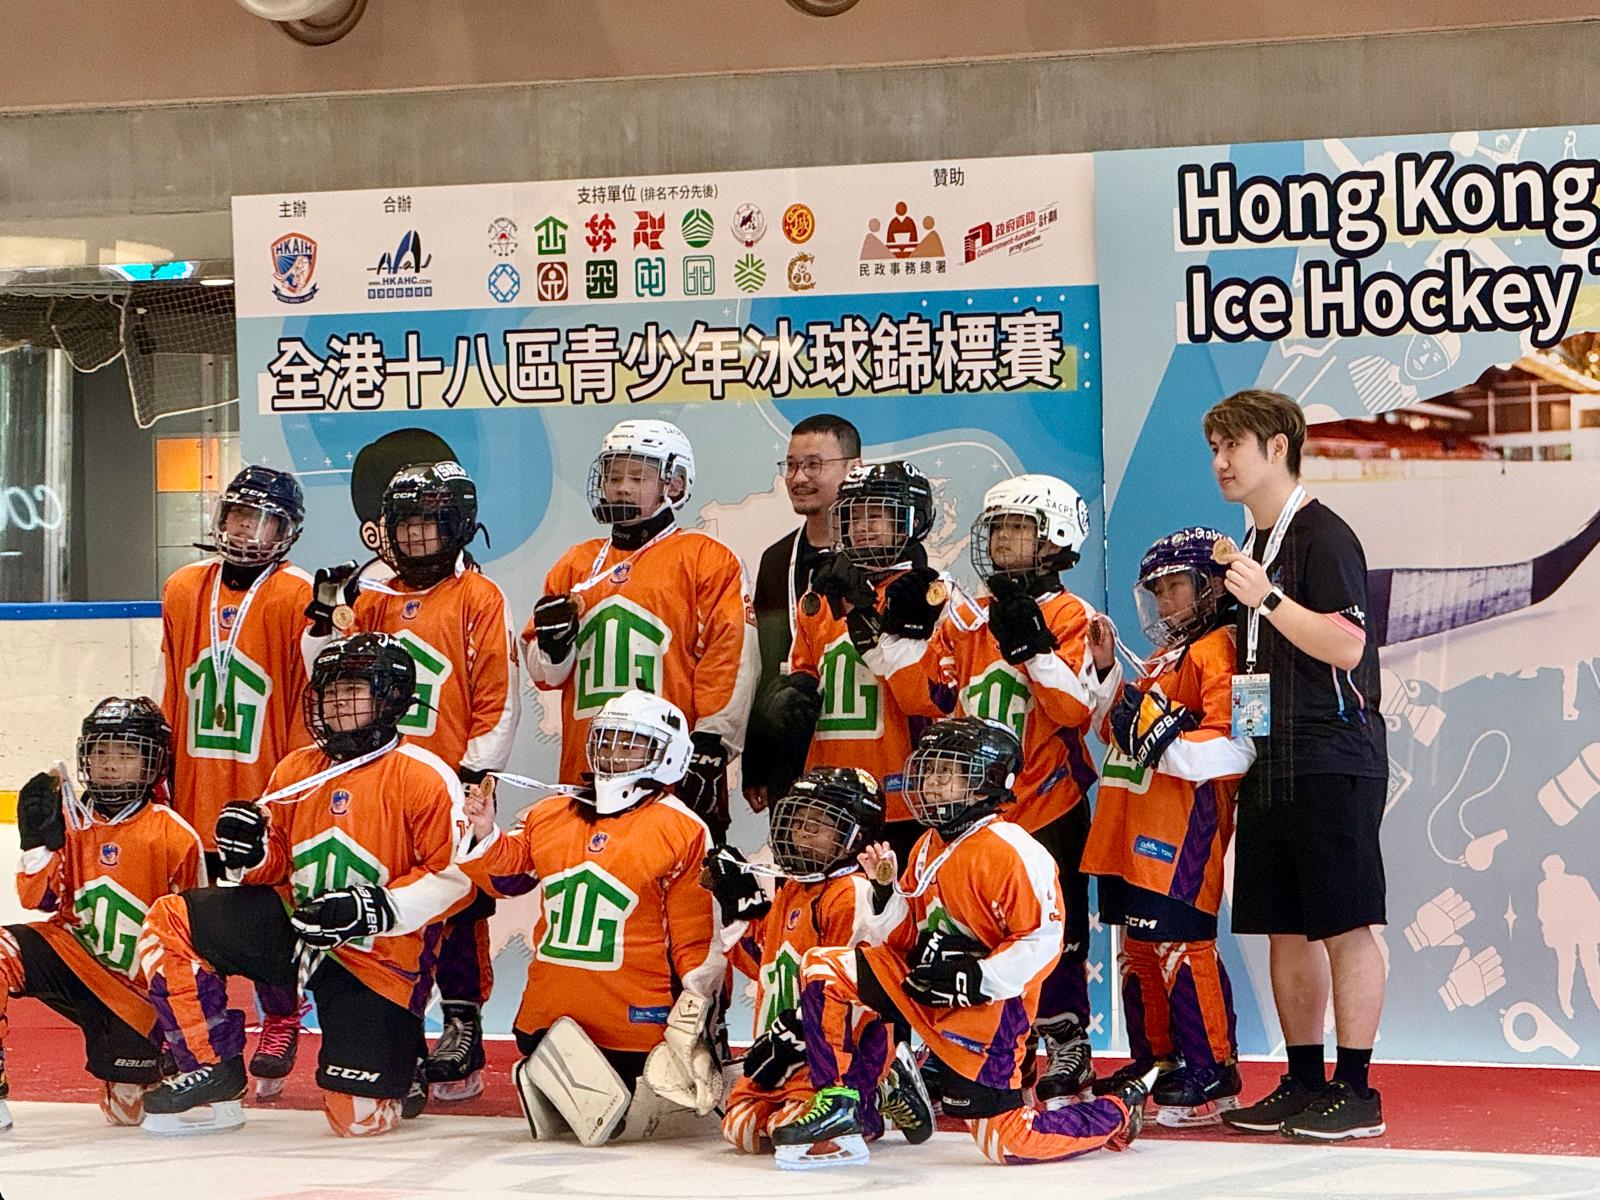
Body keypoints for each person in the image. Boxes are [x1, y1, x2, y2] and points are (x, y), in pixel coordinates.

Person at [772, 717, 1154, 1168]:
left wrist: (975, 978)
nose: (932, 783)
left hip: (986, 1012)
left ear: (989, 780)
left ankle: (1118, 1110)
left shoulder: (1013, 849)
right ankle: (838, 1101)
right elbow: (906, 938)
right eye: (929, 770)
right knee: (824, 966)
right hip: (925, 987)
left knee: (1007, 1143)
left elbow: (1043, 941)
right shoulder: (925, 847)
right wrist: (885, 896)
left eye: (947, 772)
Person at [138, 633, 472, 1138]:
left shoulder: (425, 776)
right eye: (331, 691)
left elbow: (455, 878)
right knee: (172, 920)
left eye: (353, 690)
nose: (337, 703)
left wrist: (376, 907)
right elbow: (274, 865)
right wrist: (248, 854)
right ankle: (210, 1065)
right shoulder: (295, 768)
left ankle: (403, 1063)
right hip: (298, 927)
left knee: (357, 1120)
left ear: (392, 698)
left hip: (375, 956)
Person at [871, 473, 1107, 1100]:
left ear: (1057, 537)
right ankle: (972, 1051)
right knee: (961, 927)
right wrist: (895, 639)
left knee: (1055, 932)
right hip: (973, 812)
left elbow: (1074, 710)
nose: (1001, 539)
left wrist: (1035, 650)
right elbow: (930, 697)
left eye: (1017, 528)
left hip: (1045, 803)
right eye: (996, 526)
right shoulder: (967, 616)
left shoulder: (1073, 615)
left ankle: (1066, 1043)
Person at [1203, 389, 1388, 1142]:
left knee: (1345, 923)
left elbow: (1348, 645)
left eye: (1232, 446)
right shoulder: (1253, 540)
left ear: (1278, 447)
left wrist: (1270, 598)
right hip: (1268, 758)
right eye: (1214, 449)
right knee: (1284, 926)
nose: (1220, 462)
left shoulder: (1322, 536)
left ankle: (1358, 1090)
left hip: (1331, 753)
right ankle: (1305, 1079)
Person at [309, 459, 521, 1103]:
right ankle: (400, 1034)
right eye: (405, 525)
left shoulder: (479, 597)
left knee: (459, 904)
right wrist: (324, 621)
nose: (416, 536)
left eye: (429, 523)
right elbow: (330, 677)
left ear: (458, 526)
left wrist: (474, 772)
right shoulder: (371, 598)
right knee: (395, 900)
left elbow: (498, 694)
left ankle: (462, 1023)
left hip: (450, 778)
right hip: (384, 778)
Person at [460, 691, 726, 1145]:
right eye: (608, 739)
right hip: (548, 1010)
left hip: (634, 1023)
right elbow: (507, 877)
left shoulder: (681, 828)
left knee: (635, 1116)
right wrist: (485, 831)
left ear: (671, 755)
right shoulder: (550, 813)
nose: (614, 752)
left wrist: (697, 1010)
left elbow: (694, 935)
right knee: (613, 1115)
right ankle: (557, 1079)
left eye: (631, 743)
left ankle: (558, 1082)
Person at [1080, 526, 1254, 1127]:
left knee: (1183, 946)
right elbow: (1115, 729)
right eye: (1155, 591)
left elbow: (1237, 744)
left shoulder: (1223, 648)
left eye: (1174, 586)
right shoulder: (1163, 658)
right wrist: (1109, 672)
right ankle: (1157, 1061)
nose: (1162, 601)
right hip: (1128, 829)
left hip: (1182, 830)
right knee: (1138, 951)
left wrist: (1162, 739)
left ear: (1212, 586)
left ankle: (1212, 1066)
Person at [155, 465, 313, 1097]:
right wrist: (160, 772)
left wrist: (293, 793)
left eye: (263, 521)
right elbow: (172, 683)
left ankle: (281, 1016)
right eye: (239, 517)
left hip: (264, 789)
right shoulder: (183, 586)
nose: (247, 532)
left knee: (269, 910)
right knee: (196, 921)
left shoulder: (298, 595)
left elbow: (310, 702)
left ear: (288, 531)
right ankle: (209, 1039)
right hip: (196, 787)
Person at [524, 419, 757, 843]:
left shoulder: (706, 558)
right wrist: (553, 648)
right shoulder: (575, 564)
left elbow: (730, 657)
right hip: (587, 770)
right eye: (614, 477)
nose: (622, 488)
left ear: (675, 483)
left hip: (671, 770)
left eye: (638, 477)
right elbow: (546, 676)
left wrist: (711, 745)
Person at [1, 698, 205, 1133]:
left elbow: (197, 941)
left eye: (126, 753)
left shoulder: (175, 834)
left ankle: (151, 1057)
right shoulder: (67, 820)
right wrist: (36, 844)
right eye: (100, 751)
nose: (110, 764)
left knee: (129, 1112)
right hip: (72, 959)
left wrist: (182, 1029)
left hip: (137, 993)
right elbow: (36, 900)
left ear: (153, 763)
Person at [705, 766, 930, 1156]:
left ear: (856, 836)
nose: (802, 832)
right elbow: (771, 970)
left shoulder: (851, 892)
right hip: (787, 1048)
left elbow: (844, 990)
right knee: (740, 1128)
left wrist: (796, 1032)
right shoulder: (792, 889)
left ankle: (876, 1091)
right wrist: (739, 911)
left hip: (838, 1053)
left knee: (810, 1136)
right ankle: (882, 1092)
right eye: (797, 820)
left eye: (818, 824)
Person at [765, 461, 960, 857]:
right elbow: (806, 670)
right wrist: (790, 698)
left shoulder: (931, 595)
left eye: (877, 515)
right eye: (854, 517)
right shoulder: (821, 598)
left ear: (912, 520)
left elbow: (934, 701)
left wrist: (888, 631)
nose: (863, 527)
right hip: (829, 796)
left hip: (903, 797)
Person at [745, 415, 863, 814]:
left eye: (814, 465)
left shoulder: (882, 556)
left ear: (853, 468)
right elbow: (768, 661)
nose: (798, 478)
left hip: (864, 747)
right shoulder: (777, 559)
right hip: (791, 755)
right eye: (792, 465)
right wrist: (756, 758)